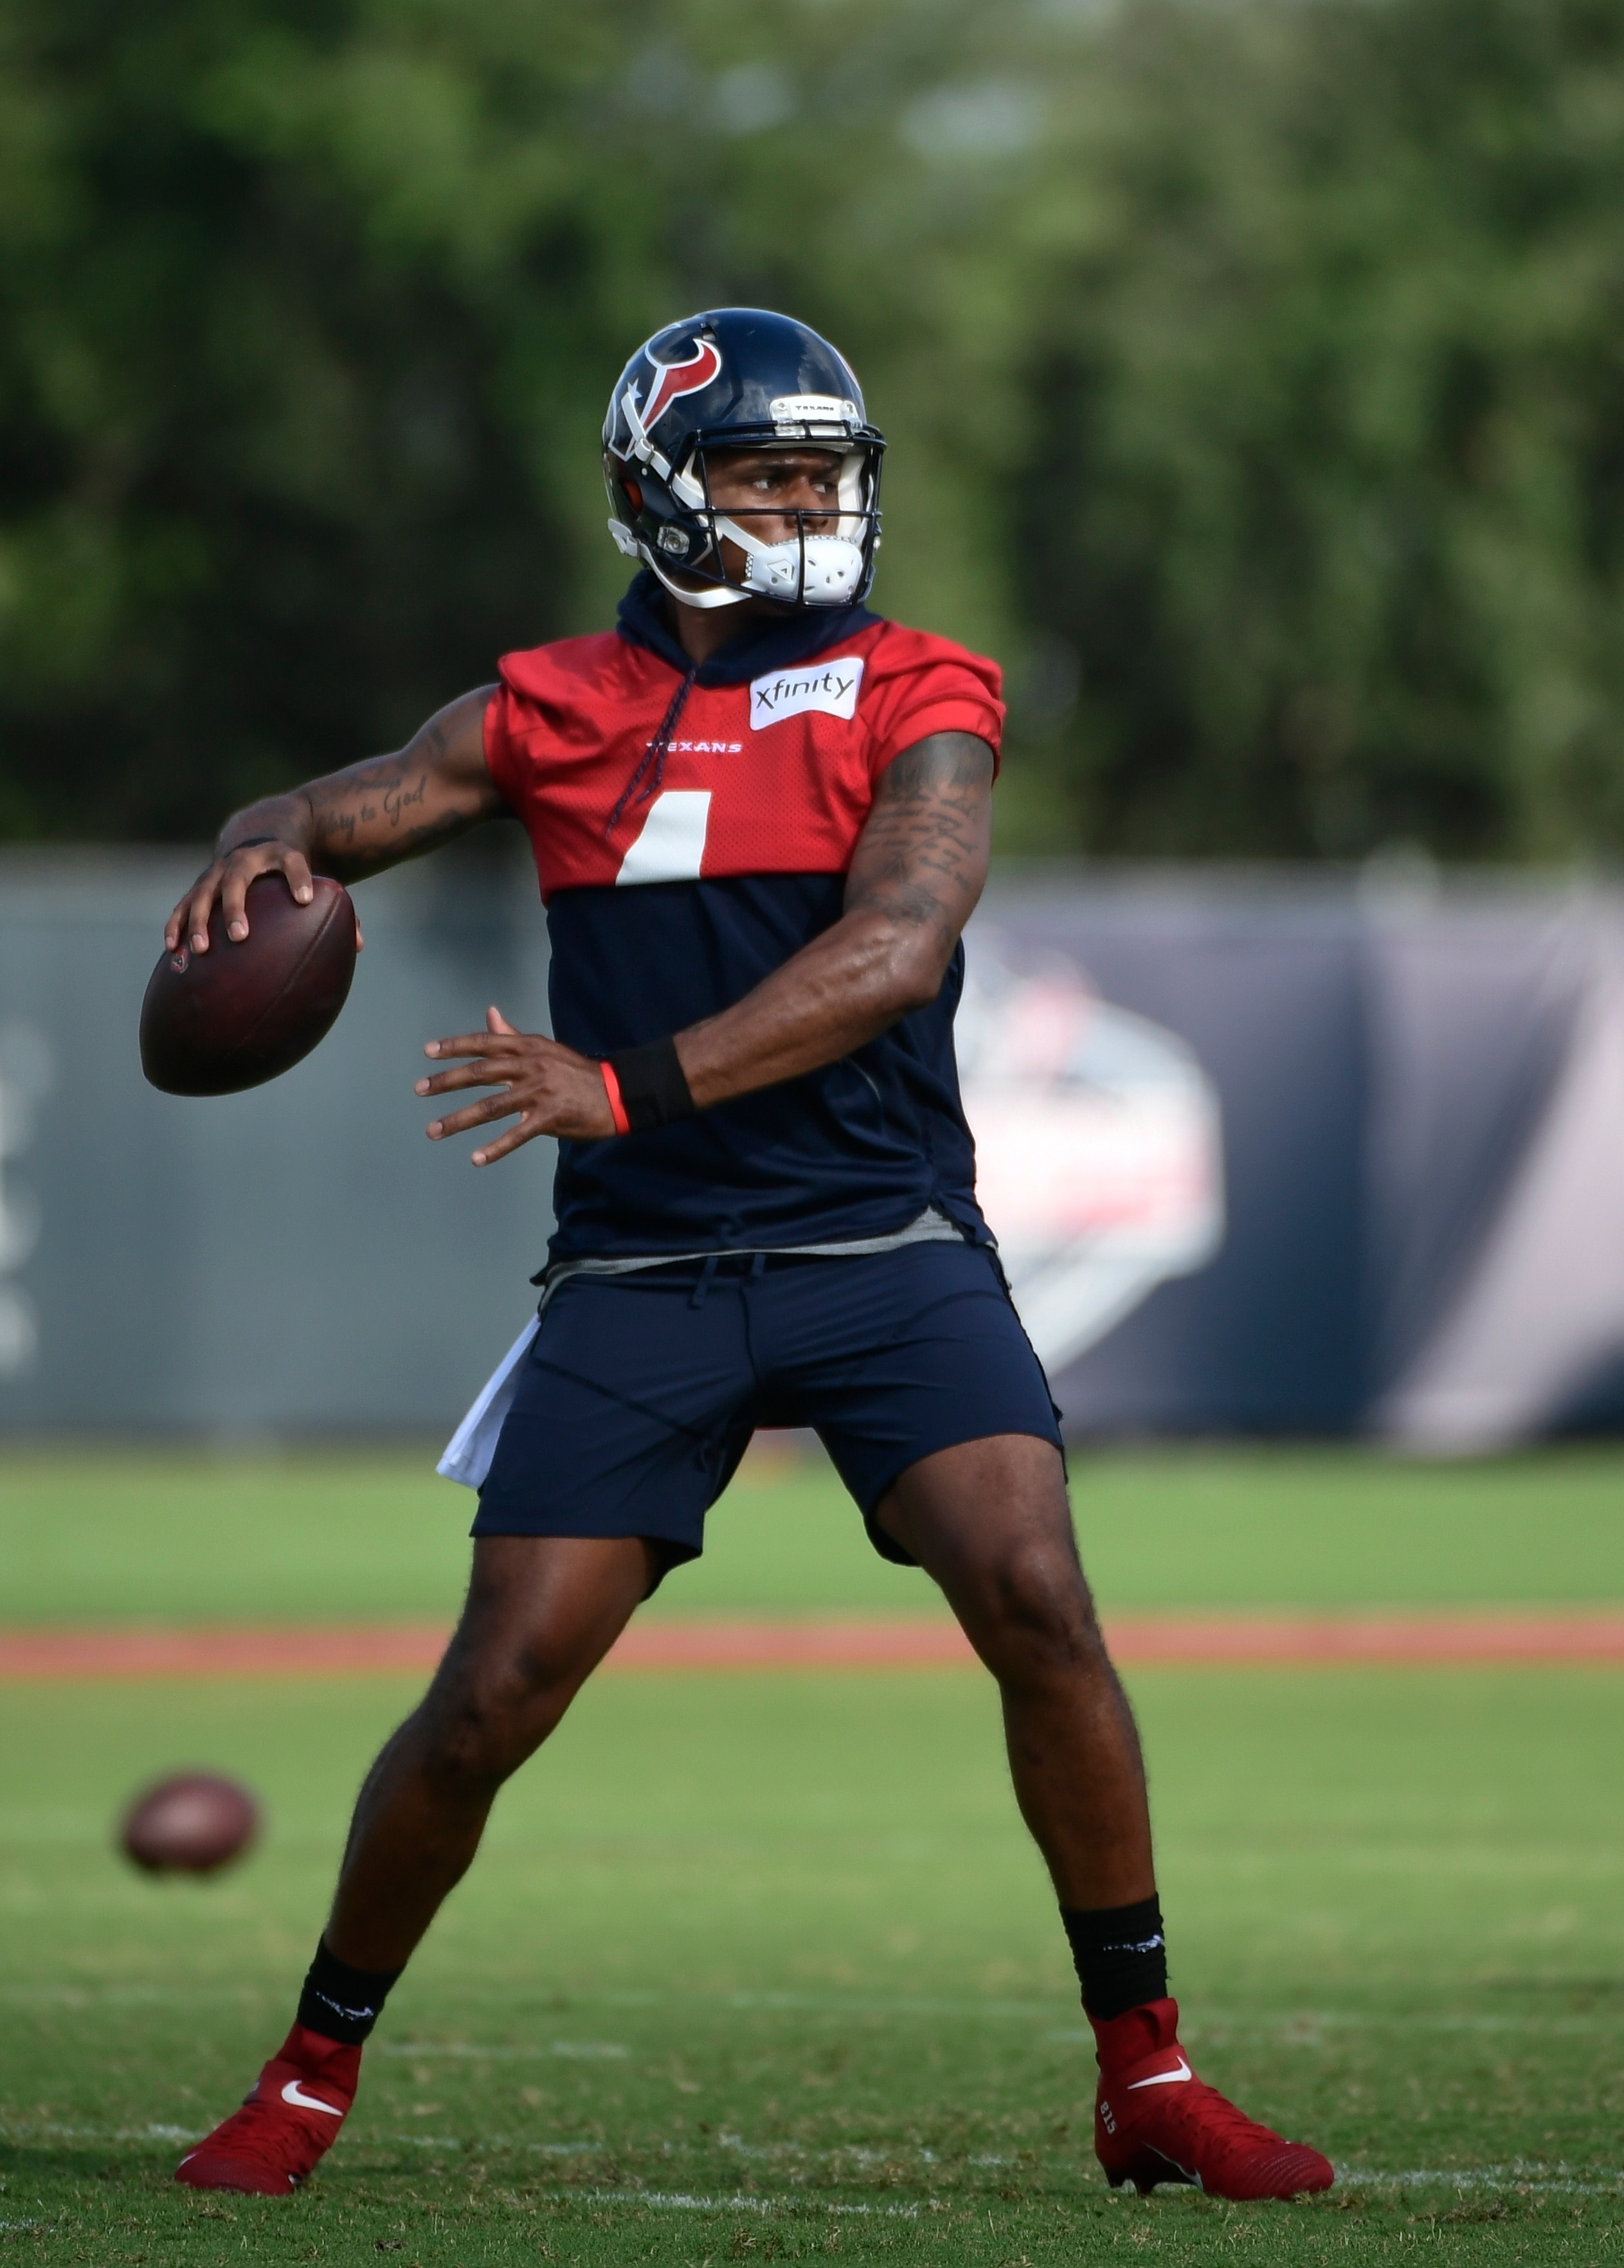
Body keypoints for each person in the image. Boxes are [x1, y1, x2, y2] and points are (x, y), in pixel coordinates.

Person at [168, 308, 1332, 2203]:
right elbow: (337, 805)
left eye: (825, 475)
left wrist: (625, 1087)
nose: (808, 507)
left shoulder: (918, 685)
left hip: (882, 1239)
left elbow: (897, 949)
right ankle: (305, 2079)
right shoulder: (548, 706)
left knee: (1036, 1593)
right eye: (766, 476)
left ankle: (1151, 2074)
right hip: (647, 1271)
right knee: (494, 1691)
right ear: (657, 495)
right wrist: (257, 839)